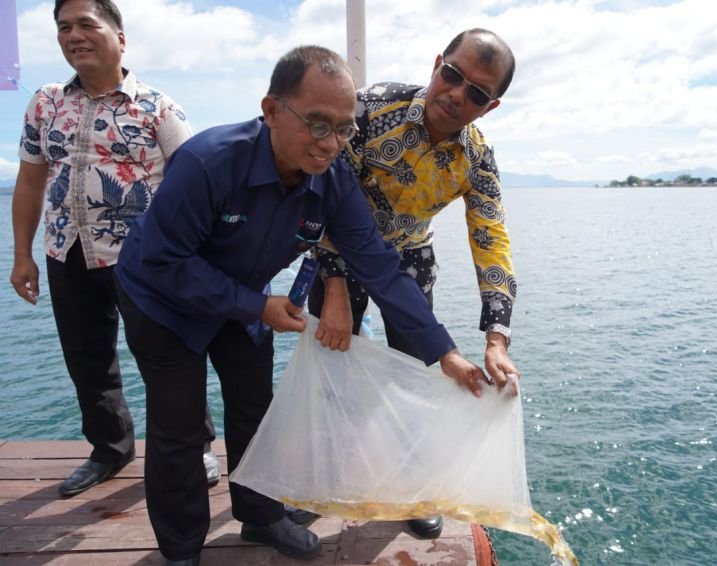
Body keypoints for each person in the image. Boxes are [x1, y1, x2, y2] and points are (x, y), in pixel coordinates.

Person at [113, 45, 489, 565]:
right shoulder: (207, 162)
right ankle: (181, 551)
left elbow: (380, 264)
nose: (331, 144)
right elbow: (162, 262)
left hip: (245, 302)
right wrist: (255, 304)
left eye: (344, 129)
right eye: (317, 124)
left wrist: (443, 352)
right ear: (271, 110)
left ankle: (261, 516)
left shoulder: (331, 181)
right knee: (177, 427)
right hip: (162, 302)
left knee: (255, 410)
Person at [308, 28, 520, 539]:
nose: (455, 95)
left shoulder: (477, 158)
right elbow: (319, 194)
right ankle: (322, 484)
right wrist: (334, 287)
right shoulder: (366, 111)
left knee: (419, 375)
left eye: (476, 93)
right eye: (452, 75)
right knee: (330, 371)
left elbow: (490, 237)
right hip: (337, 254)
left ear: (489, 107)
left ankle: (413, 487)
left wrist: (496, 337)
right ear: (436, 64)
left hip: (408, 260)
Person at [8, 0, 220, 498]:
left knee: (167, 357)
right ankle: (110, 448)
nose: (73, 35)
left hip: (143, 260)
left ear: (120, 38)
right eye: (63, 27)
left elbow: (196, 188)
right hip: (67, 252)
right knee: (87, 360)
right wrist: (23, 255)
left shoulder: (159, 108)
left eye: (86, 24)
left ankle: (195, 446)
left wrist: (192, 261)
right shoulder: (45, 102)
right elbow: (31, 180)